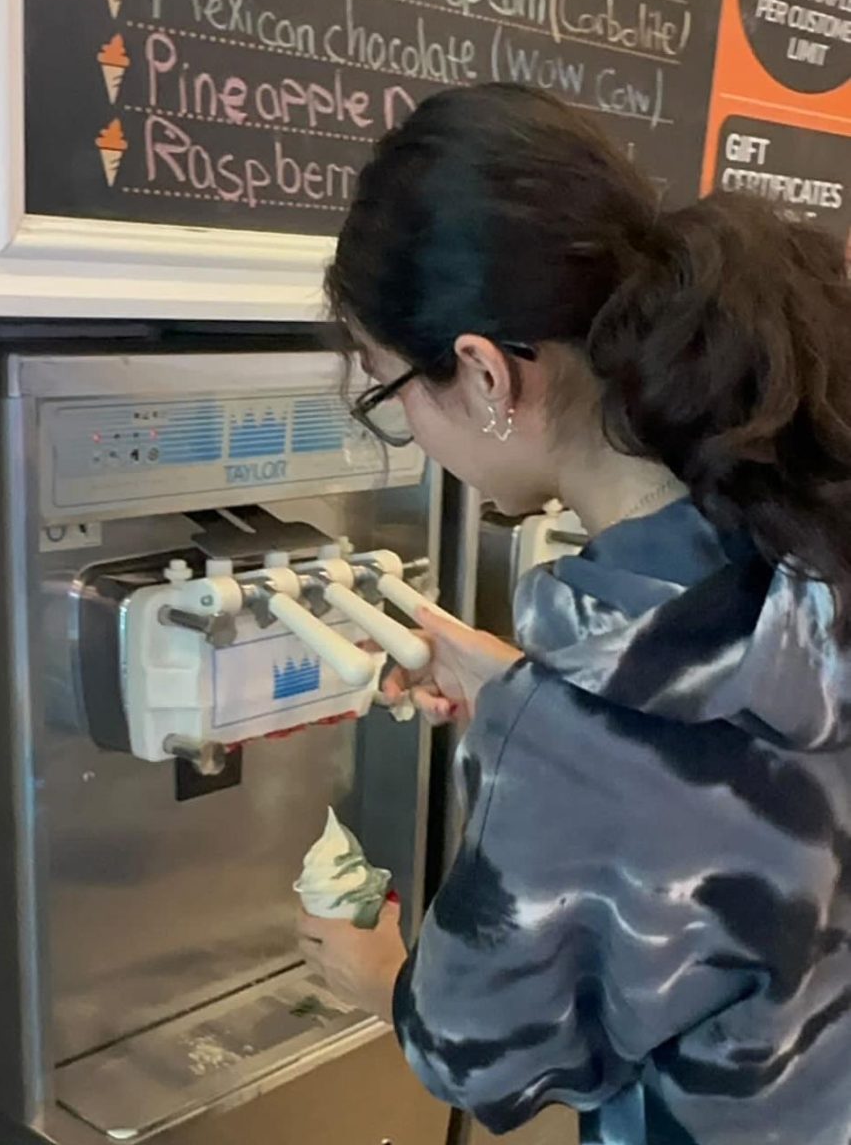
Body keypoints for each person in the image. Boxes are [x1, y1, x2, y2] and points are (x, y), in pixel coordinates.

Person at [296, 83, 851, 1145]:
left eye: (386, 390)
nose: (406, 431)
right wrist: (522, 690)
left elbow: (480, 1058)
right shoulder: (806, 529)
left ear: (482, 371)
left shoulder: (566, 736)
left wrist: (375, 977)